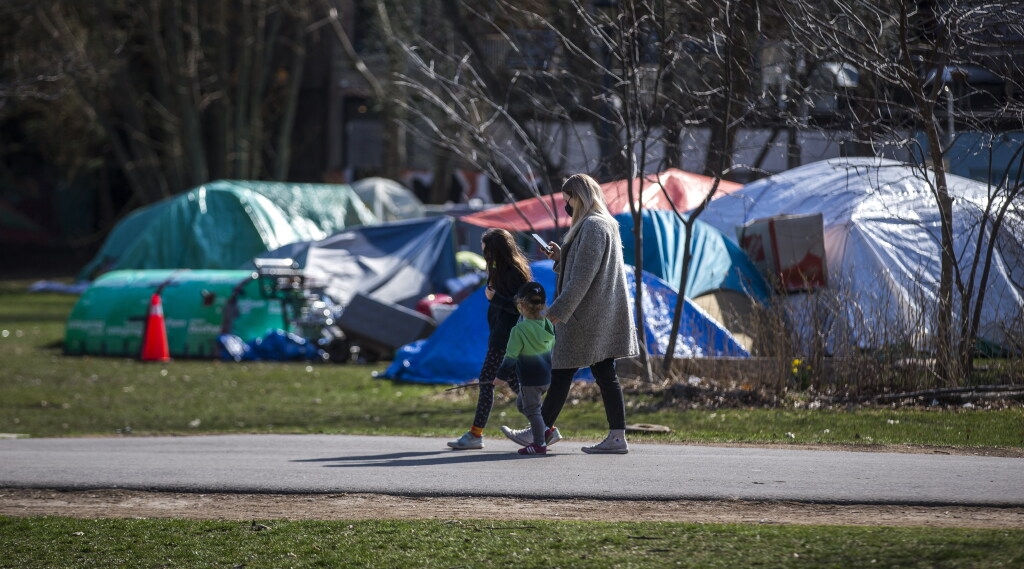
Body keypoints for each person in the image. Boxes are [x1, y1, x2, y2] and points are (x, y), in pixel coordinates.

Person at [501, 173, 639, 454]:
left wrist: (555, 313)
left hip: (587, 315)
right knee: (589, 373)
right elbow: (585, 266)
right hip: (594, 313)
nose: (567, 206)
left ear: (581, 197)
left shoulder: (592, 226)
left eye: (569, 200)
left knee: (569, 371)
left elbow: (582, 278)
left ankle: (545, 431)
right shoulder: (602, 223)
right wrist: (561, 257)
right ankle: (556, 431)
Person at [447, 228, 532, 450]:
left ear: (497, 251)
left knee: (486, 381)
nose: (485, 257)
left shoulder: (514, 273)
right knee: (515, 383)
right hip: (500, 336)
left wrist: (495, 298)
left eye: (487, 252)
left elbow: (521, 307)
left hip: (505, 339)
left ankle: (476, 434)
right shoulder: (499, 271)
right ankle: (544, 426)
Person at [494, 282, 555, 455]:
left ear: (520, 305)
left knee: (532, 410)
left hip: (530, 379)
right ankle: (545, 431)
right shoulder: (548, 325)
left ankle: (539, 444)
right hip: (546, 377)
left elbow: (511, 356)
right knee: (523, 405)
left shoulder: (519, 330)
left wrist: (501, 376)